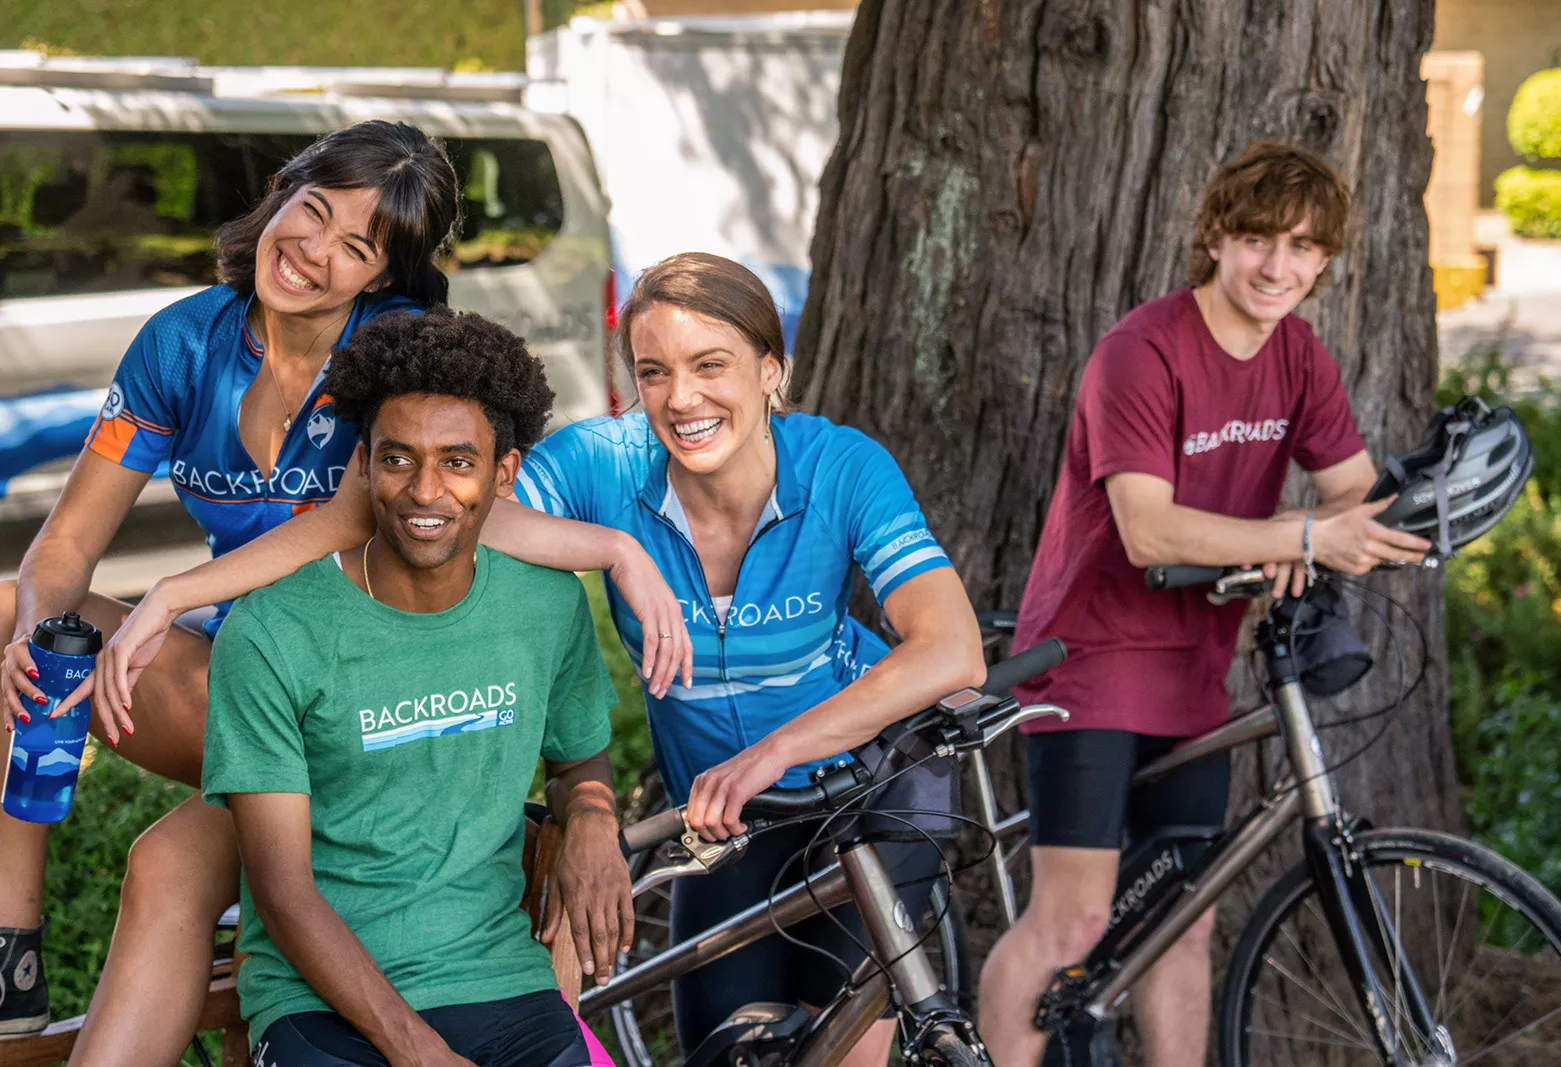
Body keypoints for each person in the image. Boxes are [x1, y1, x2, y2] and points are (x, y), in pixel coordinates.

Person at [91, 252, 988, 1067]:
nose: (681, 399)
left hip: (866, 780)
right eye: (652, 372)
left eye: (711, 365)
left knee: (856, 1046)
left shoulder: (841, 465)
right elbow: (422, 506)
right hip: (724, 812)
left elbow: (951, 648)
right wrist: (619, 549)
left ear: (770, 369)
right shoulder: (600, 464)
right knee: (737, 1047)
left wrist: (776, 748)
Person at [0, 120, 687, 1060]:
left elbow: (379, 517)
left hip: (350, 686)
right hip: (245, 672)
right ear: (281, 192)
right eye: (312, 212)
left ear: (384, 272)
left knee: (173, 858)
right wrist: (35, 645)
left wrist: (618, 549)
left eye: (356, 245)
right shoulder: (182, 344)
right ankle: (12, 949)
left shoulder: (393, 359)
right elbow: (67, 542)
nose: (315, 251)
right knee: (16, 615)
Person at [977, 142, 1434, 1067]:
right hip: (1088, 664)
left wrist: (1441, 495)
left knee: (1184, 922)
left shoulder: (1299, 354)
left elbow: (1354, 496)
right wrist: (1304, 537)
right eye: (1261, 239)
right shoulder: (1139, 353)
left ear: (1325, 263)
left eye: (1304, 248)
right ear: (1216, 237)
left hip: (1196, 668)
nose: (1279, 267)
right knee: (1073, 921)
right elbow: (1147, 531)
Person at [204, 306, 627, 1067]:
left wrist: (593, 816)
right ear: (363, 464)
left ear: (504, 473)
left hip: (497, 978)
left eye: (458, 462)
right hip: (317, 999)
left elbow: (578, 758)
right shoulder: (271, 633)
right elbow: (282, 889)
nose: (424, 491)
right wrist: (417, 1051)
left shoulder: (545, 604)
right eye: (398, 459)